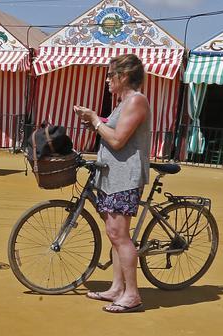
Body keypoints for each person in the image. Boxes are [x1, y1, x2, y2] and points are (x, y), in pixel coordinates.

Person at [73, 54, 151, 314]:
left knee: (120, 235)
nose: (107, 80)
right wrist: (95, 122)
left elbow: (118, 140)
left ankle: (132, 295)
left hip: (124, 177)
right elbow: (112, 130)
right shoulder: (123, 103)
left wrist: (96, 120)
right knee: (115, 235)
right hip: (111, 176)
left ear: (124, 76)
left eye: (110, 75)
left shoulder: (136, 101)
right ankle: (118, 288)